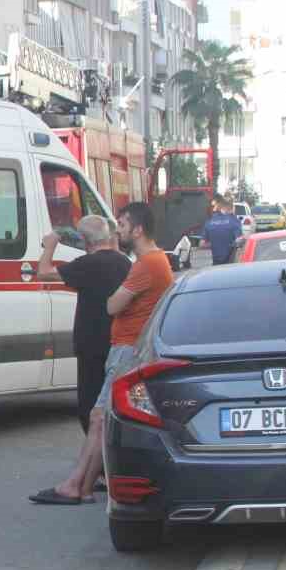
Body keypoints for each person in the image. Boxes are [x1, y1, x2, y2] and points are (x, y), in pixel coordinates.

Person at [31, 201, 174, 505]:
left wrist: (50, 246)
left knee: (98, 416)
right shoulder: (134, 262)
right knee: (102, 416)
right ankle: (84, 483)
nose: (117, 230)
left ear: (136, 229)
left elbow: (112, 305)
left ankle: (76, 486)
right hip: (125, 347)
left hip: (124, 349)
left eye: (122, 225)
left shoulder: (146, 264)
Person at [36, 215, 131, 435]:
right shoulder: (124, 262)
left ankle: (96, 457)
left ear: (85, 241)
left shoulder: (87, 264)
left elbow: (44, 272)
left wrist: (50, 247)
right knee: (114, 402)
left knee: (89, 406)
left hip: (91, 344)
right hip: (119, 342)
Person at [201, 195, 243, 266]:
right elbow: (239, 241)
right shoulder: (234, 221)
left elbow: (202, 244)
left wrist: (215, 244)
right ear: (232, 207)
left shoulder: (209, 222)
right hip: (231, 265)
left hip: (216, 264)